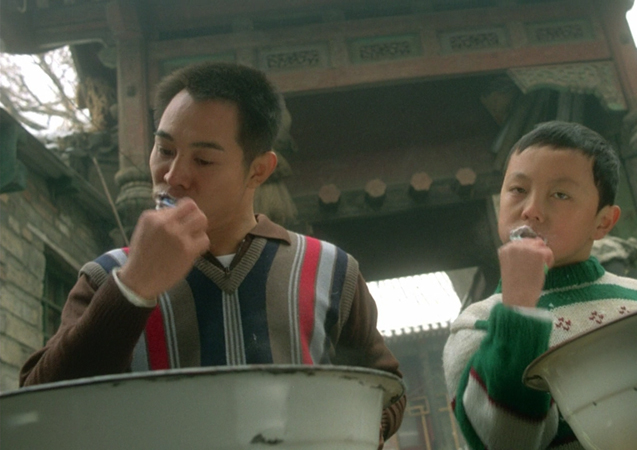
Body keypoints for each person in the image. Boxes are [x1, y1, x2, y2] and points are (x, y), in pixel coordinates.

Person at [20, 62, 406, 446]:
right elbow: (41, 408)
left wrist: (352, 433)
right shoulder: (108, 276)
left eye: (203, 160)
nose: (173, 175)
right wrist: (132, 289)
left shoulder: (330, 270)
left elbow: (387, 389)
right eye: (164, 149)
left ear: (258, 170)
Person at [442, 121, 637, 450]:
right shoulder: (476, 324)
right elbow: (506, 440)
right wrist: (518, 308)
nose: (531, 210)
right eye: (518, 190)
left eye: (560, 194)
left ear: (603, 221)